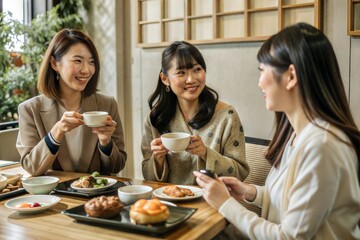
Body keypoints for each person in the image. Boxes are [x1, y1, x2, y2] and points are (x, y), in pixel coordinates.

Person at [194, 22, 360, 239]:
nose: (260, 82)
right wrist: (251, 192)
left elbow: (289, 236)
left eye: (263, 71)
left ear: (291, 76)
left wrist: (225, 204)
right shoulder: (298, 134)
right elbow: (295, 205)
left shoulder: (323, 146)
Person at [17, 29, 127, 176]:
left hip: (98, 197)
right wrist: (57, 131)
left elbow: (116, 167)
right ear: (55, 63)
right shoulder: (30, 109)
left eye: (91, 62)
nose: (87, 70)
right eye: (78, 61)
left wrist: (106, 142)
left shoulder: (107, 104)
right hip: (54, 197)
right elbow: (31, 167)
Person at [141, 41, 249, 185]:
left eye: (197, 69)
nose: (191, 79)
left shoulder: (227, 116)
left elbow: (240, 174)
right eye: (181, 73)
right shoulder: (155, 118)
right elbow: (148, 178)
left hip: (213, 202)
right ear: (165, 79)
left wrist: (205, 153)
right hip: (168, 203)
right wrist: (158, 159)